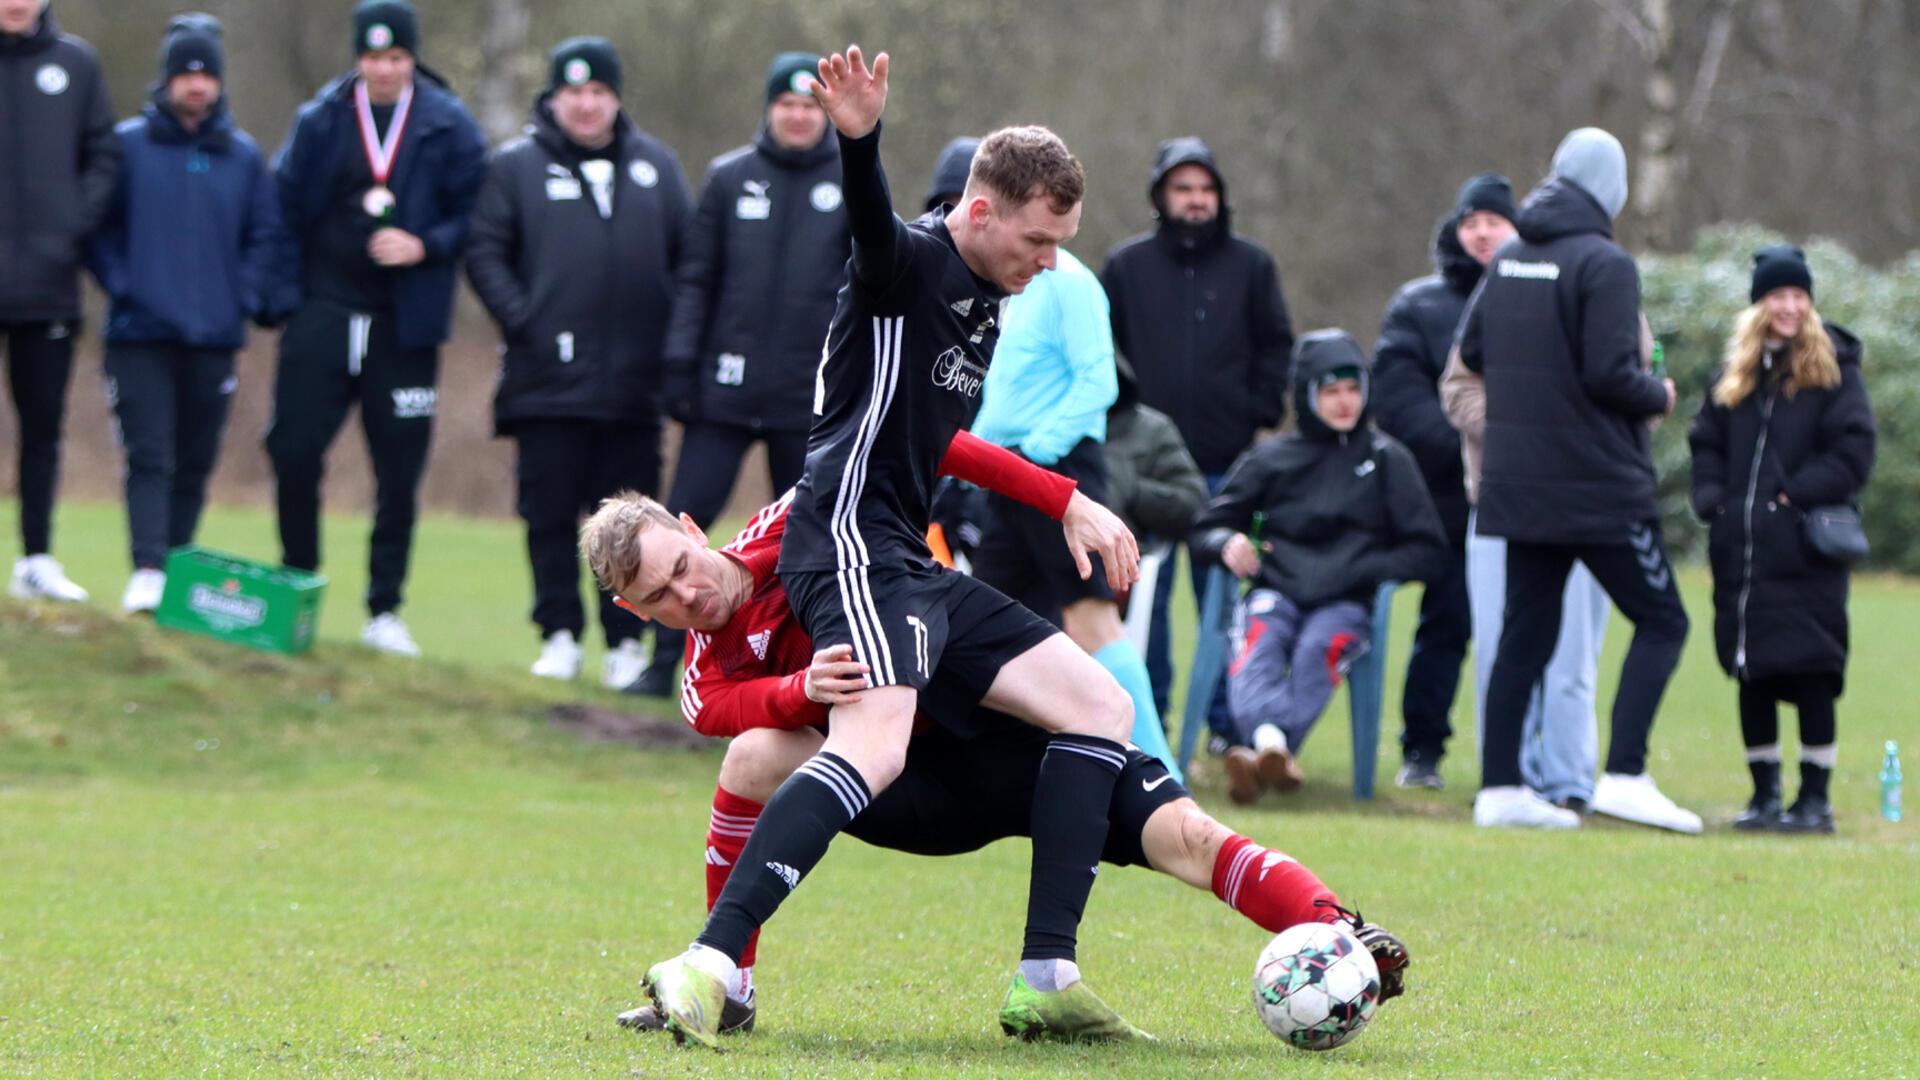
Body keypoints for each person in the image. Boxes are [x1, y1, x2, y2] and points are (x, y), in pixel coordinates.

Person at [640, 46, 1147, 1050]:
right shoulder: (908, 263)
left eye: (1062, 244)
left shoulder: (990, 294)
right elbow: (870, 229)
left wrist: (1065, 500)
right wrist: (859, 138)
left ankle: (1047, 974)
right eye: (1040, 240)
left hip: (905, 557)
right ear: (982, 211)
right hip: (847, 541)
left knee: (1102, 705)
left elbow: (936, 440)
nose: (1051, 261)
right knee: (873, 745)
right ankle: (707, 963)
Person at [576, 490, 1407, 1036]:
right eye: (657, 599)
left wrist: (1065, 500)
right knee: (753, 758)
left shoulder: (810, 514)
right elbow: (742, 715)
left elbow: (940, 450)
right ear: (630, 609)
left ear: (690, 530)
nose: (686, 596)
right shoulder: (701, 679)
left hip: (1039, 753)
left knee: (1186, 832)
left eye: (681, 568)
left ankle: (1337, 930)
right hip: (913, 786)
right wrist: (799, 688)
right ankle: (728, 982)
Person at [1459, 127, 1699, 833]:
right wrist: (1658, 394)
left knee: (1523, 635)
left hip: (1520, 486)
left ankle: (1500, 790)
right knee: (1664, 620)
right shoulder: (1607, 264)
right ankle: (1624, 774)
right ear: (1613, 188)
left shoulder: (1508, 261)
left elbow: (1474, 350)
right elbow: (1609, 374)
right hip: (1598, 488)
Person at [465, 36, 690, 687]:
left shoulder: (657, 167)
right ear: (554, 97)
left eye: (597, 92)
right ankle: (559, 633)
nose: (585, 105)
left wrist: (670, 342)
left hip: (633, 388)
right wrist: (526, 319)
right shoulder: (517, 167)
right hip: (546, 384)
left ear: (615, 97)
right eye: (573, 92)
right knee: (549, 513)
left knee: (633, 524)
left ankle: (625, 641)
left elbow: (690, 259)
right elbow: (484, 250)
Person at [264, 0, 488, 656]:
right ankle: (296, 582)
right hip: (324, 312)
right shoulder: (320, 121)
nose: (383, 69)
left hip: (405, 323)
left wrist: (425, 245)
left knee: (398, 470)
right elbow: (282, 213)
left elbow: (479, 216)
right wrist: (285, 303)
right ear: (357, 58)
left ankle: (384, 609)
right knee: (294, 451)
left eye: (395, 58)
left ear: (411, 58)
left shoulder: (449, 125)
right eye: (371, 57)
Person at [630, 50, 848, 697]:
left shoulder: (850, 181)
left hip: (806, 400)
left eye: (811, 105)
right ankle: (661, 662)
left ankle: (803, 666)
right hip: (723, 392)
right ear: (769, 109)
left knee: (807, 542)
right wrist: (679, 363)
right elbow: (696, 279)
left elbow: (864, 293)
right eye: (787, 104)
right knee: (679, 530)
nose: (799, 115)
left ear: (826, 111)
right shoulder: (729, 178)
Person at [968, 179, 1179, 777]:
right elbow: (1004, 389)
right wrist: (974, 458)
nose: (1045, 249)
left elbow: (1098, 383)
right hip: (1007, 479)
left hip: (1058, 474)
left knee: (1091, 620)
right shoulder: (1009, 286)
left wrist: (1036, 453)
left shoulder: (1073, 284)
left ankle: (1163, 779)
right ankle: (998, 776)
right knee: (989, 623)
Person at [1191, 331, 1447, 803]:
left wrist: (1370, 568)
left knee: (1316, 649)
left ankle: (1266, 747)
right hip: (1275, 591)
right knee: (1258, 642)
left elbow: (1429, 549)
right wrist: (1229, 542)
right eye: (1331, 391)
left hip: (1346, 603)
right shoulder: (1271, 457)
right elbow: (1207, 525)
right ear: (1309, 395)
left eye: (1353, 388)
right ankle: (1274, 748)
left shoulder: (1388, 459)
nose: (1345, 401)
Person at [89, 15, 287, 614]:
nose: (196, 85)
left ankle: (177, 565)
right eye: (185, 75)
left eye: (206, 75)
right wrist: (126, 286)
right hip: (140, 333)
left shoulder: (242, 155)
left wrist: (243, 297)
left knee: (196, 459)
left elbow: (265, 235)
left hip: (213, 337)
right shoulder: (127, 145)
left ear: (219, 83)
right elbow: (97, 229)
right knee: (149, 455)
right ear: (167, 80)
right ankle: (147, 568)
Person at [1101, 137, 1294, 725]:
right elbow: (1104, 353)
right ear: (1161, 195)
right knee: (1144, 598)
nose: (1195, 200)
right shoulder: (1126, 267)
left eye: (1205, 189)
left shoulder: (1252, 266)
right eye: (1183, 188)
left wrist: (1253, 411)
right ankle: (1148, 714)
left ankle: (1223, 722)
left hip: (1226, 465)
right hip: (1146, 471)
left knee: (1222, 601)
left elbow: (1277, 347)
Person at [1689, 246, 1875, 834]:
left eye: (1799, 296)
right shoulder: (1733, 378)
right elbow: (1705, 443)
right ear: (1759, 305)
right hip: (1742, 553)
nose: (1789, 307)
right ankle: (1763, 796)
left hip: (1806, 552)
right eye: (1778, 296)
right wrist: (1715, 502)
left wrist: (1794, 496)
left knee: (1813, 669)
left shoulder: (1835, 371)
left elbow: (1854, 450)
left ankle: (1814, 800)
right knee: (1754, 670)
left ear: (1810, 304)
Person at [1370, 174, 1515, 789]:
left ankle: (1518, 759)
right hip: (1446, 499)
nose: (1483, 233)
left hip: (1525, 496)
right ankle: (1422, 749)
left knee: (1525, 631)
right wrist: (1473, 446)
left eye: (1495, 221)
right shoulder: (1418, 305)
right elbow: (1398, 399)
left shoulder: (1536, 295)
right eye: (1472, 222)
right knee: (1448, 622)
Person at [1, 0, 118, 604]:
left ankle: (37, 558)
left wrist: (70, 224)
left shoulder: (76, 65)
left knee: (42, 426)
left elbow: (104, 156)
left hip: (47, 287)